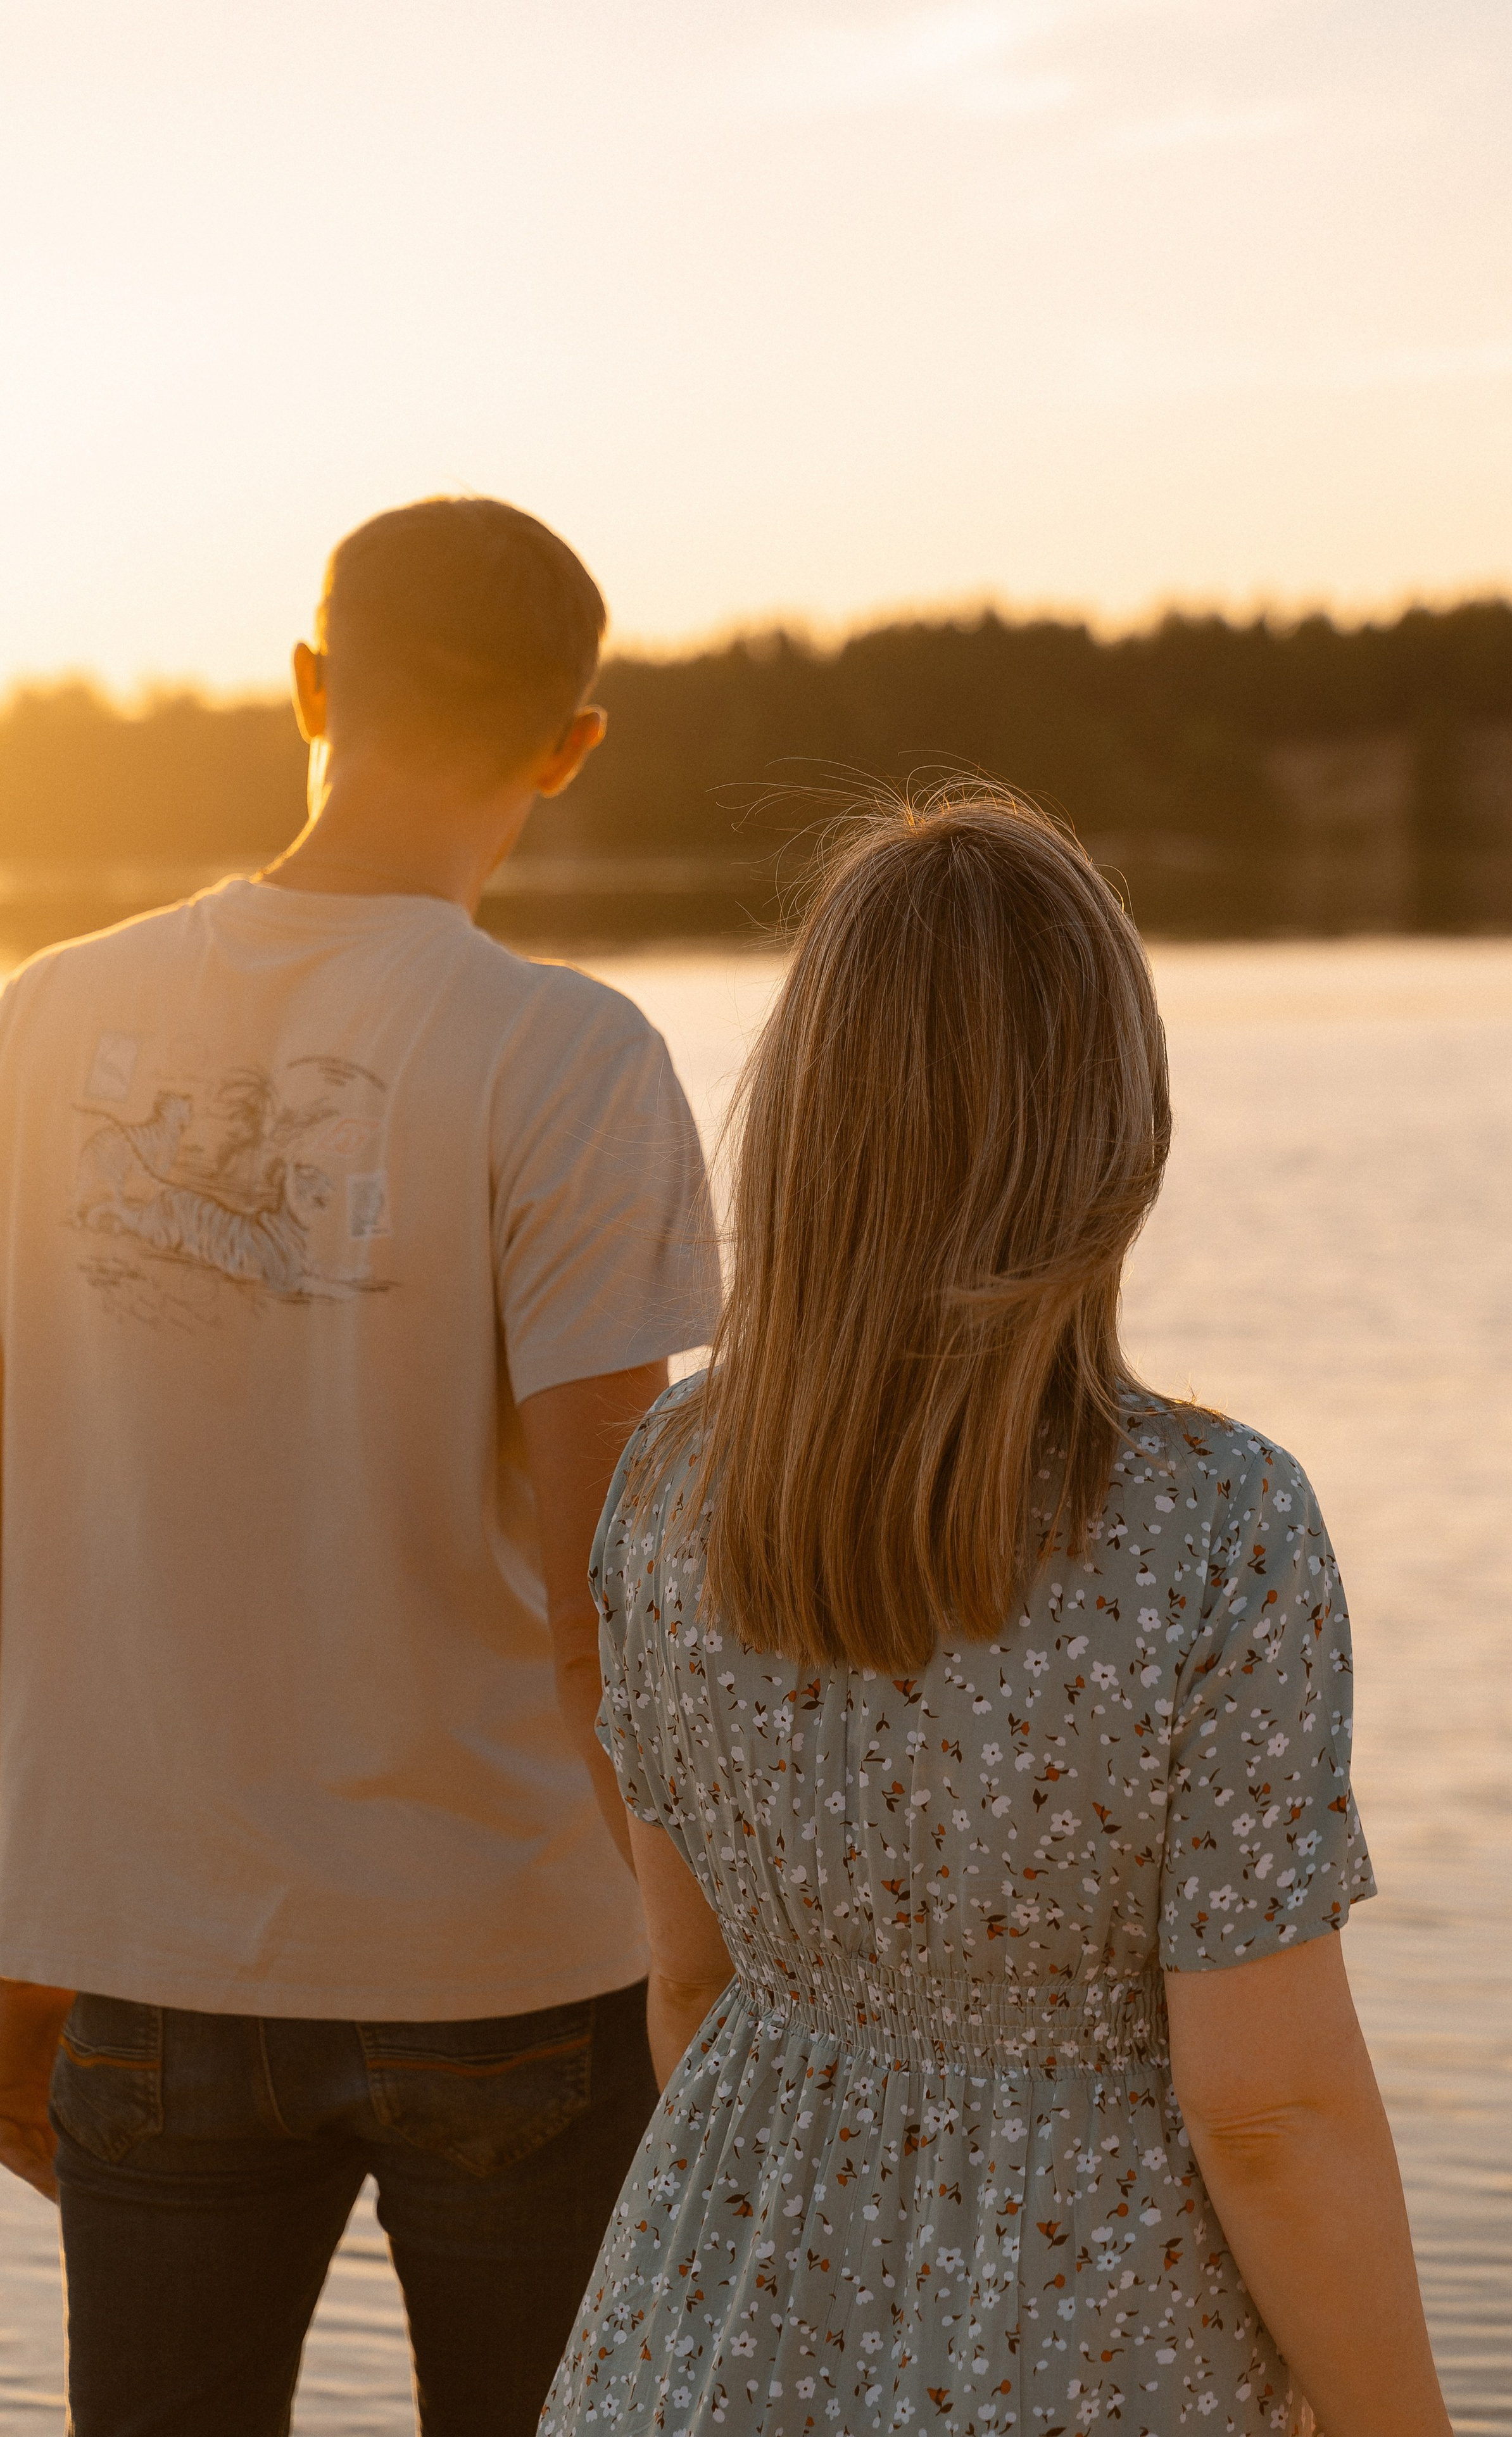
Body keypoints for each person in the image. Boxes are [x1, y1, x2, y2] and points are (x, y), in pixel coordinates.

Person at [539, 795, 1453, 2437]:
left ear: (806, 1119)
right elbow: (1270, 2108)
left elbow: (685, 1989)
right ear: (1114, 1124)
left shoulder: (670, 1483)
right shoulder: (1218, 1525)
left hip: (711, 2322)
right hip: (1099, 2350)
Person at [0, 496, 720, 2437]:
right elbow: (615, 1596)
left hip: (141, 1966)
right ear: (572, 745)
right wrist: (715, 1971)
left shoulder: (39, 1026)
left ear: (308, 683)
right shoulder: (564, 1057)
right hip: (517, 1969)